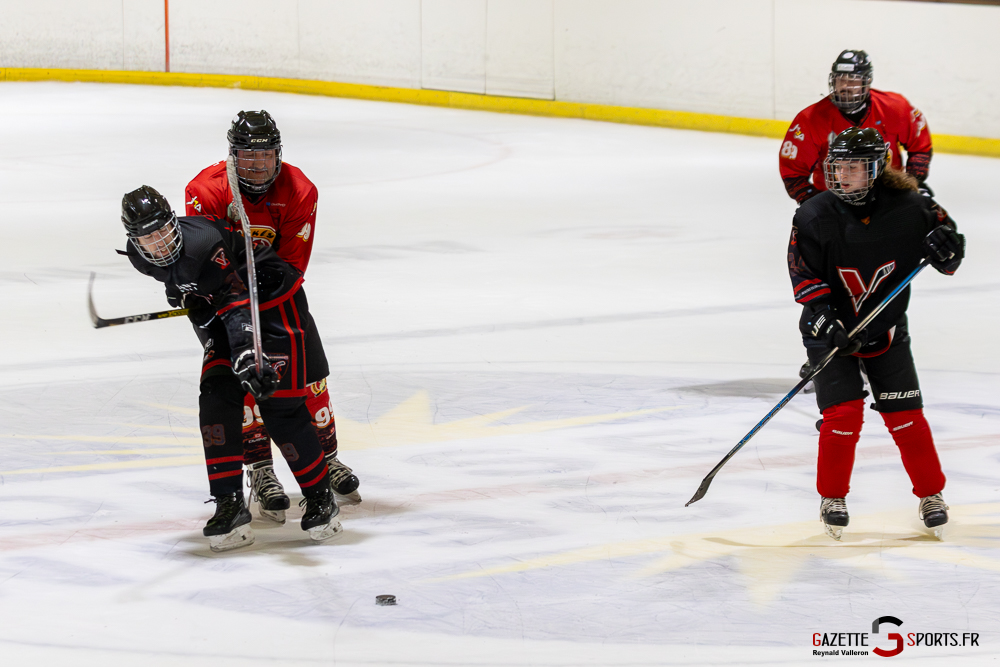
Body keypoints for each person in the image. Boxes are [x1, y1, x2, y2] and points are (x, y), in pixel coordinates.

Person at [121, 184, 343, 551]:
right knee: (215, 398)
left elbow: (237, 300)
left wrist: (245, 355)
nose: (158, 243)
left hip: (274, 309)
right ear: (135, 241)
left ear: (174, 223)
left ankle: (321, 498)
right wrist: (191, 300)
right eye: (147, 238)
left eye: (162, 231)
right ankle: (229, 504)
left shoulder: (204, 243)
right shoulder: (140, 257)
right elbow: (192, 288)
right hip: (230, 311)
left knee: (277, 407)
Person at [787, 127, 964, 541]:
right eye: (838, 166)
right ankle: (832, 496)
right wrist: (829, 324)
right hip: (830, 328)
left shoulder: (913, 207)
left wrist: (949, 247)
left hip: (884, 328)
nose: (843, 175)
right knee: (842, 416)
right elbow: (803, 277)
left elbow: (950, 251)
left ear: (876, 169)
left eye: (853, 167)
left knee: (906, 418)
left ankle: (931, 494)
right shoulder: (813, 214)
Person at [185, 110, 360, 523]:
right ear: (231, 156)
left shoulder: (300, 189)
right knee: (246, 385)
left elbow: (293, 267)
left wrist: (261, 289)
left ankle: (326, 460)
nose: (258, 165)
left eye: (266, 155)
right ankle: (261, 469)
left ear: (278, 154)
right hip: (228, 306)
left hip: (281, 300)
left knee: (309, 380)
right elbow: (206, 261)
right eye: (248, 156)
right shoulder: (205, 190)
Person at [780, 50, 933, 205]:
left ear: (866, 83)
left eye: (853, 80)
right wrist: (816, 204)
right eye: (840, 80)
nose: (845, 86)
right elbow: (792, 172)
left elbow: (920, 146)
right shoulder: (810, 119)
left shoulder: (895, 107)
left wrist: (913, 183)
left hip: (888, 196)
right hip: (837, 201)